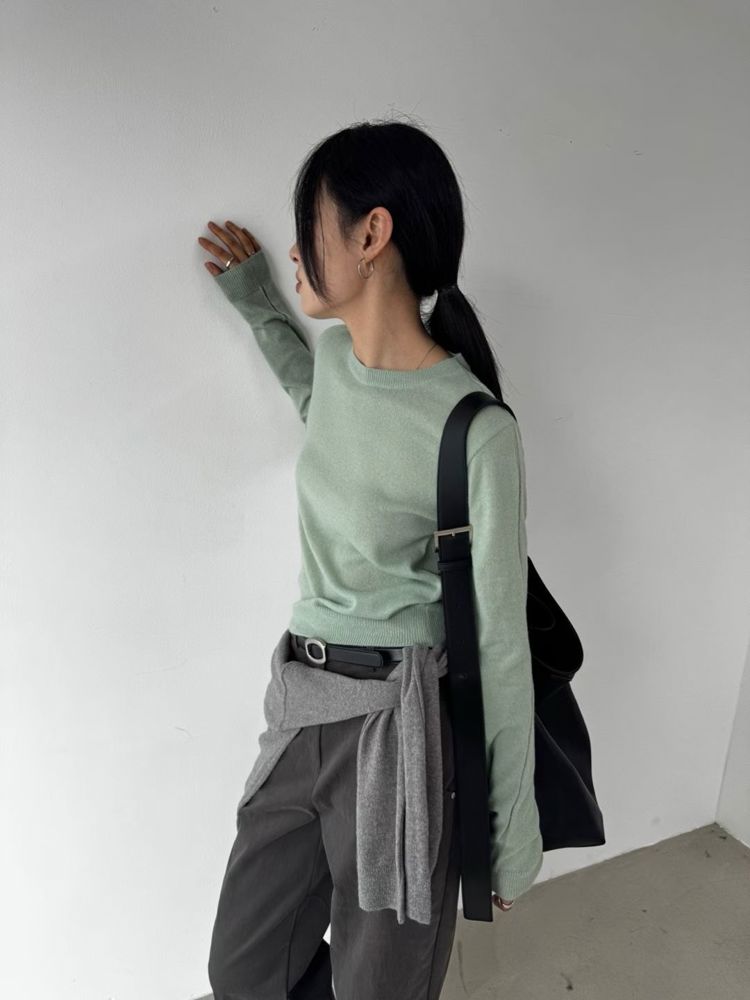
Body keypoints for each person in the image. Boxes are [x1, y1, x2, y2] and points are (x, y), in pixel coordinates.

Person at [198, 117, 543, 1000]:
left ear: (371, 234)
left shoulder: (475, 429)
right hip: (301, 701)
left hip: (398, 725)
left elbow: (501, 644)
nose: (295, 248)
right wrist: (257, 300)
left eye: (308, 225)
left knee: (379, 983)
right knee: (242, 969)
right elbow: (315, 402)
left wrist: (510, 833)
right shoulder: (335, 366)